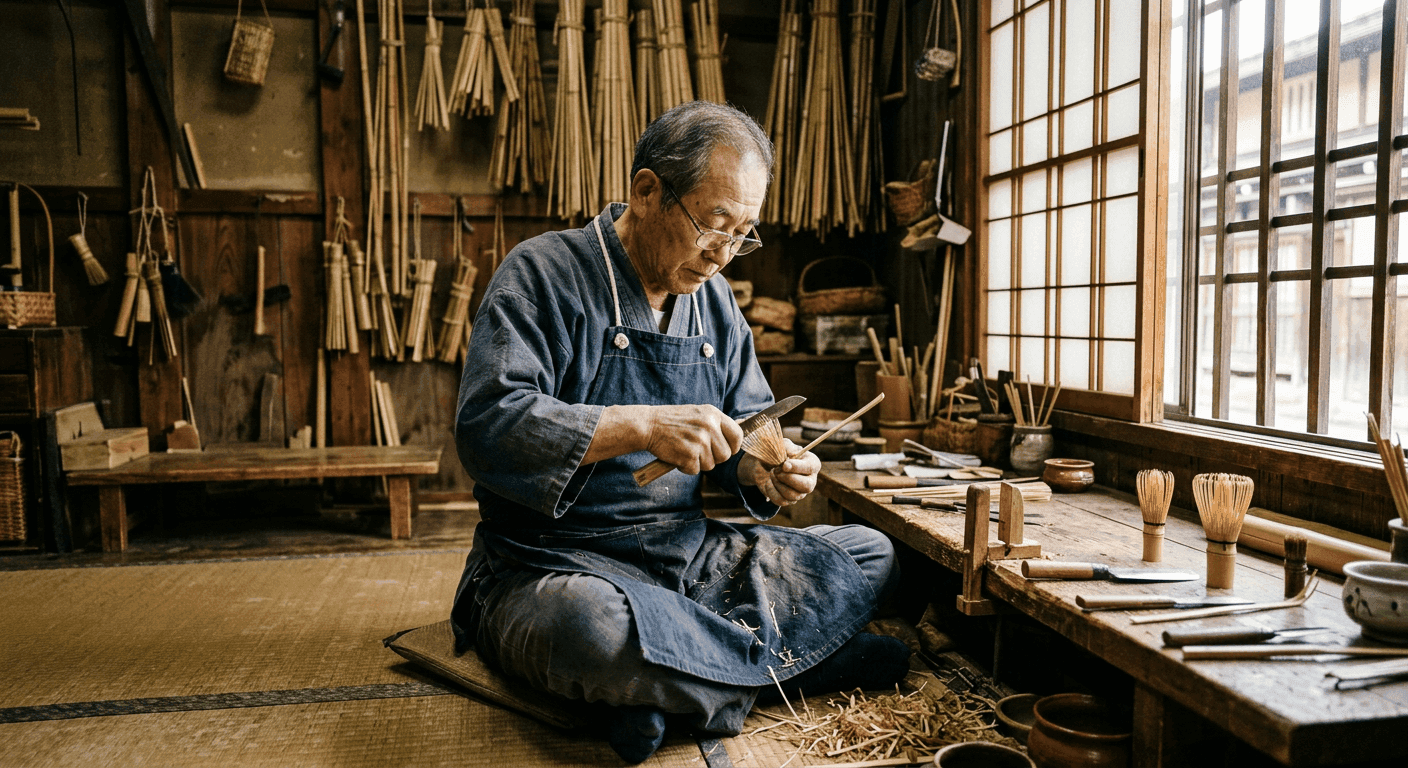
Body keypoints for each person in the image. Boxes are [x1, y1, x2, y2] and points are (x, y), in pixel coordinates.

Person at [451, 101, 910, 764]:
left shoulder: (715, 301)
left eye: (743, 233)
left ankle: (668, 689)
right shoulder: (542, 273)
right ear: (646, 191)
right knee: (591, 632)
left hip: (687, 557)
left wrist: (767, 467)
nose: (723, 255)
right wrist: (642, 423)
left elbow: (750, 428)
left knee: (869, 553)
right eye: (714, 224)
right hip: (553, 562)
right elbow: (487, 425)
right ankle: (794, 668)